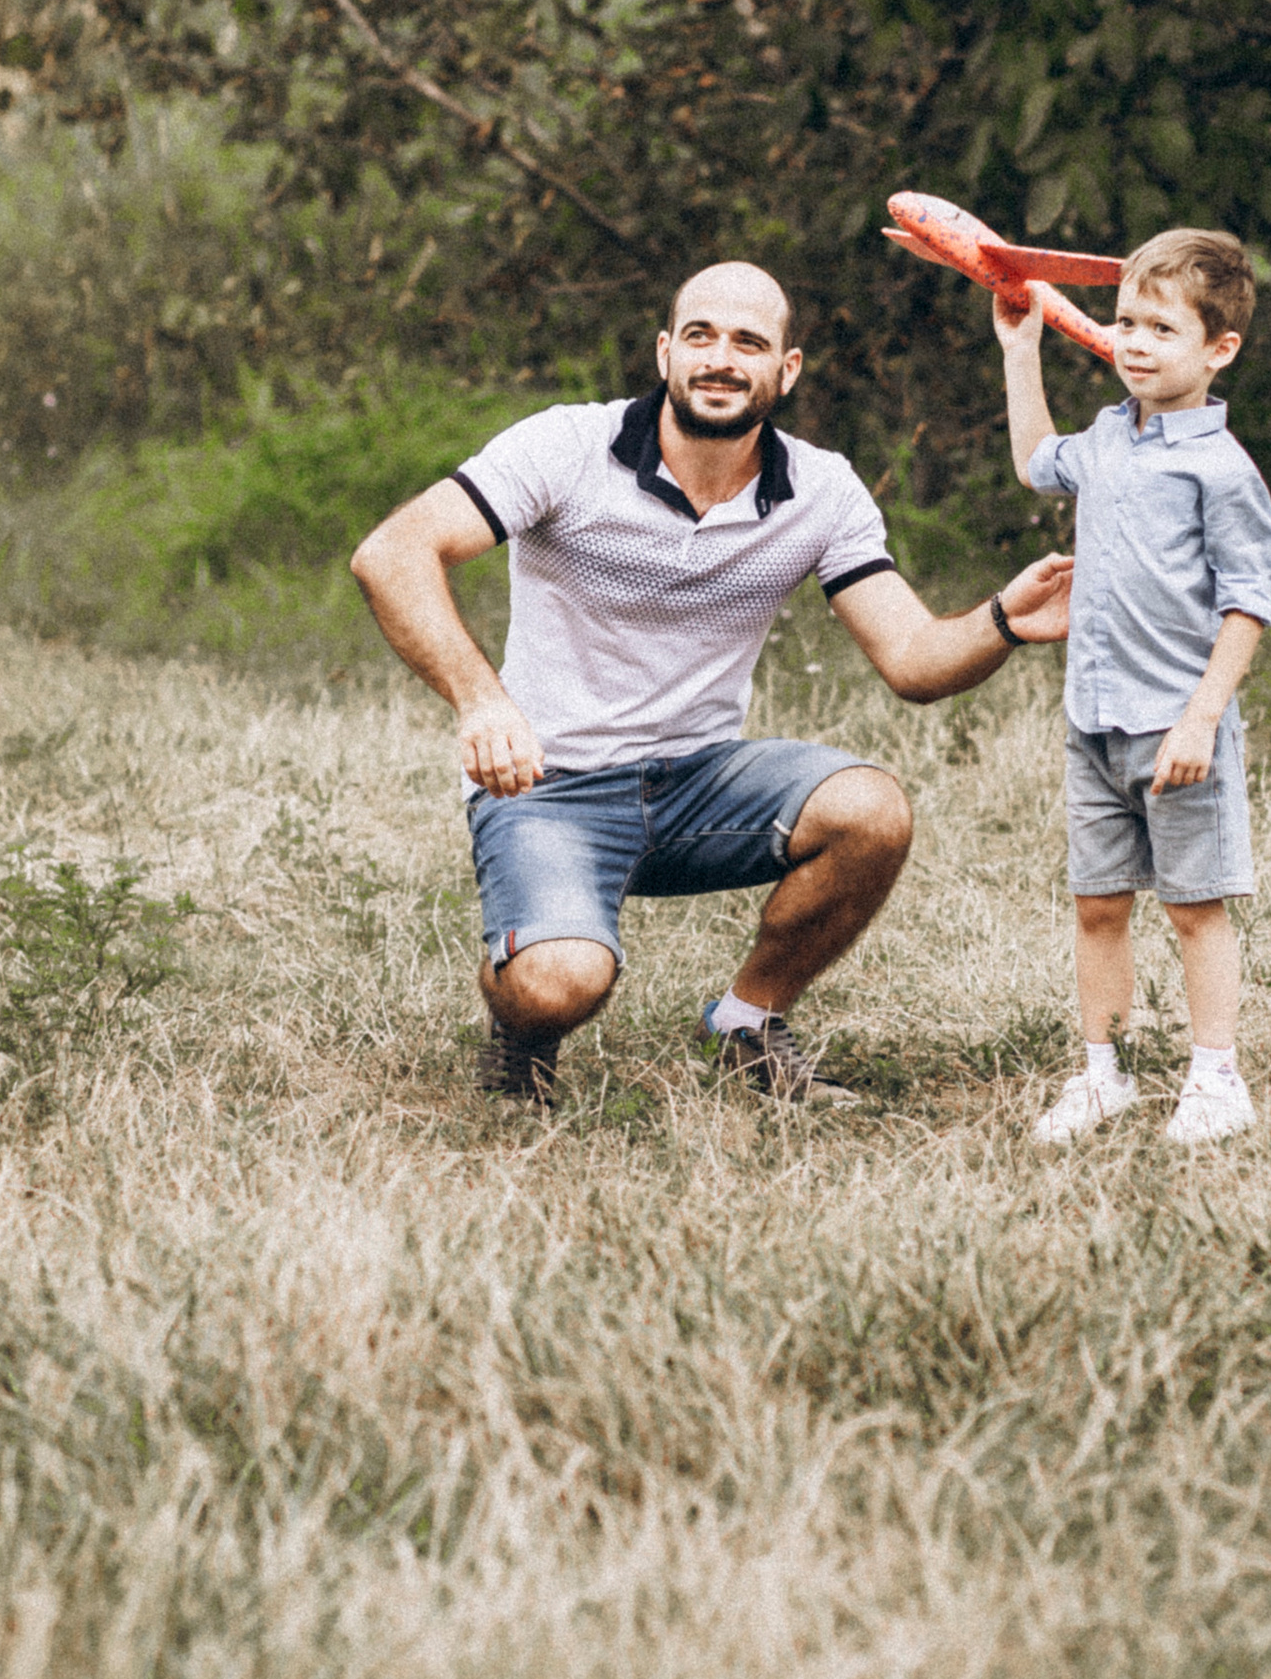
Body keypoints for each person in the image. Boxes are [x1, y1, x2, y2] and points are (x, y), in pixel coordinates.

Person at [351, 260, 1074, 1105]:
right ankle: (520, 1024)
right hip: (549, 784)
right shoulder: (567, 446)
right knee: (558, 985)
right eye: (700, 336)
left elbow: (913, 661)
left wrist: (1004, 619)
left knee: (872, 812)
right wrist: (482, 702)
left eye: (748, 343)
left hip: (698, 784)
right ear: (666, 353)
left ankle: (747, 1023)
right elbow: (392, 554)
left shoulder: (820, 490)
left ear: (786, 370)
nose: (721, 359)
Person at [995, 226, 1271, 1150]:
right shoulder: (1106, 439)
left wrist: (1202, 720)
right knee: (1098, 905)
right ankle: (1104, 1073)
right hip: (1094, 723)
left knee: (1194, 909)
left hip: (1177, 731)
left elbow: (1248, 605)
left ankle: (1217, 1079)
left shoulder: (1221, 470)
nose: (1135, 343)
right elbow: (1036, 464)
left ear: (1218, 349)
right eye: (1126, 323)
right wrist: (1021, 349)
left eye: (1163, 329)